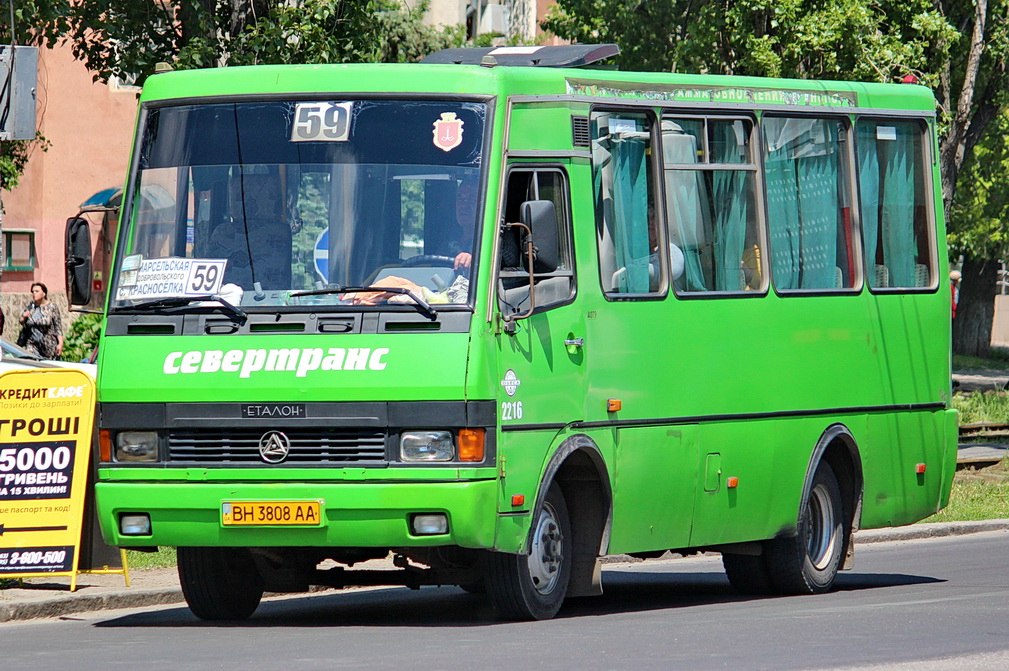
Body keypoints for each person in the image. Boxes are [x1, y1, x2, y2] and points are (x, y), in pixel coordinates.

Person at [19, 282, 63, 359]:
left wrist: (60, 344)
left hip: (49, 345)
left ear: (44, 293)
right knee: (31, 363)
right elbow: (21, 321)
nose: (34, 294)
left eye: (37, 291)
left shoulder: (52, 307)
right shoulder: (30, 306)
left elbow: (58, 327)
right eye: (33, 292)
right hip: (32, 344)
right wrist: (24, 317)